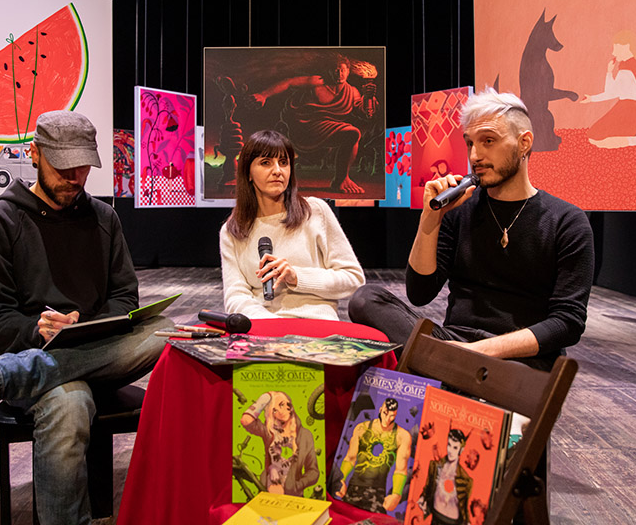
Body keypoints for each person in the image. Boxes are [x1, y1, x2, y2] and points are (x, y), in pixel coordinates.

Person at [0, 110, 172, 525]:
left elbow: (125, 298)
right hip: (29, 349)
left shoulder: (104, 218)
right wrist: (37, 328)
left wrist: (89, 326)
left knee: (165, 329)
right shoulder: (1, 221)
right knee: (69, 402)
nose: (74, 177)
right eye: (62, 166)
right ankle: (16, 371)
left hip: (98, 351)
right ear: (35, 154)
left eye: (82, 166)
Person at [349, 88, 593, 372]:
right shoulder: (459, 210)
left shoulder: (567, 221)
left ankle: (442, 371)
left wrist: (475, 352)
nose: (475, 155)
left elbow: (567, 322)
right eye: (470, 143)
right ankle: (449, 372)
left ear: (524, 143)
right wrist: (430, 217)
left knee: (479, 371)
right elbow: (420, 293)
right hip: (454, 343)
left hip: (519, 359)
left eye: (488, 141)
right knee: (365, 299)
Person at [220, 129, 365, 320]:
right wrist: (271, 324)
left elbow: (353, 278)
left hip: (317, 325)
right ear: (248, 173)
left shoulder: (315, 212)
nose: (277, 171)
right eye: (266, 163)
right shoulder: (232, 231)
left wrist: (297, 277)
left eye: (283, 162)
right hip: (263, 327)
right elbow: (235, 296)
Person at [251, 54, 378, 194]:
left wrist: (368, 97)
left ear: (348, 71)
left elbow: (367, 114)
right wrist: (264, 95)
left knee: (352, 134)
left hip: (330, 129)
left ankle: (342, 179)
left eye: (342, 70)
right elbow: (289, 83)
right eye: (335, 70)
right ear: (328, 70)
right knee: (352, 132)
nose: (339, 74)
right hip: (305, 128)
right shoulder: (317, 81)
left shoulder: (352, 92)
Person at [580, 29, 636, 147]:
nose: (613, 53)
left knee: (596, 138)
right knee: (595, 137)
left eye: (615, 48)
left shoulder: (626, 70)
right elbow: (614, 91)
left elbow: (611, 92)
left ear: (626, 46)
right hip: (633, 112)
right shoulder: (633, 66)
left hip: (628, 113)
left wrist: (608, 73)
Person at [334, 398, 412, 513]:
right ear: (380, 410)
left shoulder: (402, 436)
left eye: (392, 416)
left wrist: (396, 494)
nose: (387, 419)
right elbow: (350, 458)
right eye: (385, 413)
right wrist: (341, 479)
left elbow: (400, 469)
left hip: (378, 493)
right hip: (353, 488)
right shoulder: (362, 428)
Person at [240, 390, 319, 496]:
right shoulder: (269, 432)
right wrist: (266, 397)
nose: (283, 409)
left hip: (294, 496)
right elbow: (246, 420)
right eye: (277, 407)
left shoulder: (305, 435)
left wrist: (296, 486)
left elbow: (313, 472)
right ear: (271, 412)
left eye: (285, 404)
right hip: (267, 491)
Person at [418, 429, 472, 525]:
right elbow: (428, 488)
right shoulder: (435, 466)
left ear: (461, 450)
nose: (451, 451)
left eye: (455, 448)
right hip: (435, 517)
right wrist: (423, 498)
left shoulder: (466, 479)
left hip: (452, 521)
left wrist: (467, 522)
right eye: (449, 445)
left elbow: (464, 506)